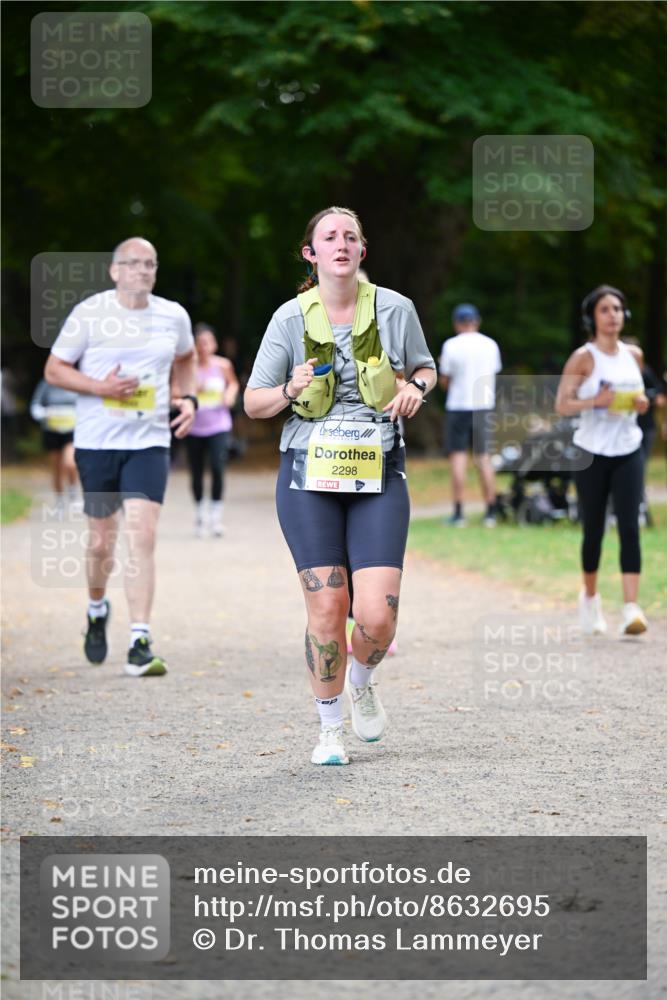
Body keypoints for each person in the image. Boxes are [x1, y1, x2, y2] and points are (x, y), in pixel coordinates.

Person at [244, 206, 436, 766]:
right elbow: (253, 403)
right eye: (329, 237)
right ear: (312, 254)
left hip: (379, 471)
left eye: (351, 236)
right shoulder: (288, 319)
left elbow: (425, 368)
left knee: (377, 616)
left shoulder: (395, 309)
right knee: (328, 606)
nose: (341, 244)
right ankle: (329, 729)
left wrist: (415, 388)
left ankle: (361, 680)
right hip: (308, 476)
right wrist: (289, 388)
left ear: (362, 250)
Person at [44, 237, 197, 676]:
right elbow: (54, 369)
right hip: (97, 443)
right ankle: (96, 609)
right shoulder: (90, 313)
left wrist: (188, 398)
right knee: (100, 543)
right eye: (133, 263)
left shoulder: (173, 315)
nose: (143, 270)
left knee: (141, 535)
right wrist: (101, 388)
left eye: (150, 263)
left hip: (149, 442)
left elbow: (187, 357)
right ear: (114, 271)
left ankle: (139, 640)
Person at [555, 285, 649, 636]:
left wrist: (641, 402)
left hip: (628, 449)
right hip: (592, 452)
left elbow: (642, 394)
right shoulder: (583, 358)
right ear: (592, 318)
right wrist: (596, 401)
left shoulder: (634, 355)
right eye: (605, 310)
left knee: (629, 526)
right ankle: (591, 599)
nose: (613, 316)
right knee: (594, 529)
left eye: (618, 309)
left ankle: (630, 608)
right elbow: (562, 405)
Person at [439, 303, 502, 526]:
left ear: (457, 323)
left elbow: (445, 380)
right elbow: (494, 372)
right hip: (483, 405)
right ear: (477, 321)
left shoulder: (451, 345)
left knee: (458, 458)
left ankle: (458, 512)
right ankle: (491, 511)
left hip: (458, 406)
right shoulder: (490, 344)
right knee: (484, 458)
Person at [186, 323, 239, 537]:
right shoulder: (188, 367)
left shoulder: (223, 365)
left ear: (214, 344)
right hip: (194, 427)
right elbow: (177, 391)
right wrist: (192, 391)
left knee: (217, 468)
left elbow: (233, 384)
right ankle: (200, 516)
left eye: (207, 342)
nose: (204, 347)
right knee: (196, 472)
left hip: (219, 426)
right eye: (200, 343)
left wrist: (230, 395)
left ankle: (216, 518)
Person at [30, 379, 79, 511]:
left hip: (71, 430)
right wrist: (46, 413)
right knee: (57, 467)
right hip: (52, 430)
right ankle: (59, 499)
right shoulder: (46, 384)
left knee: (70, 463)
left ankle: (73, 490)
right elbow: (35, 406)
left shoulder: (74, 381)